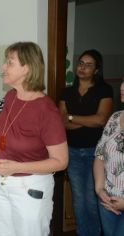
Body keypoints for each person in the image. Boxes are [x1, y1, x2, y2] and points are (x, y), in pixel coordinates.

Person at [0, 41, 68, 236]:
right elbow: (5, 126)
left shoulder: (46, 110)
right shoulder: (12, 97)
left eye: (10, 62)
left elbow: (61, 161)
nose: (3, 67)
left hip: (29, 186)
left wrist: (17, 167)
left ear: (27, 68)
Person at [59, 49, 113, 236]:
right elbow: (62, 122)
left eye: (89, 65)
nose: (82, 68)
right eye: (81, 63)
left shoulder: (104, 90)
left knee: (92, 199)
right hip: (72, 151)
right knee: (78, 199)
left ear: (97, 70)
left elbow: (100, 120)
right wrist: (82, 120)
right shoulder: (66, 92)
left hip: (95, 152)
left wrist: (72, 117)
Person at [93, 78, 124, 236]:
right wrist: (99, 189)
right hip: (106, 201)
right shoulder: (115, 118)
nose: (122, 86)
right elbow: (100, 155)